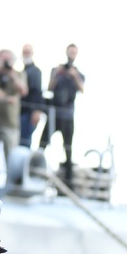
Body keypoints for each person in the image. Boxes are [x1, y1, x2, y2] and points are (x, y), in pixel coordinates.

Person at [41, 44, 86, 188]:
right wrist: (58, 73)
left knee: (67, 148)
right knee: (42, 143)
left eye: (74, 52)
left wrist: (74, 76)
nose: (71, 54)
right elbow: (49, 87)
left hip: (68, 115)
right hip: (54, 114)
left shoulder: (78, 73)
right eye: (70, 51)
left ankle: (68, 180)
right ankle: (36, 170)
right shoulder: (57, 70)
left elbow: (82, 89)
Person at [0, 49, 27, 190]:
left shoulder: (18, 73)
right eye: (2, 59)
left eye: (8, 59)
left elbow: (23, 90)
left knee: (11, 158)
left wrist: (12, 74)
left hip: (11, 123)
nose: (5, 62)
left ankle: (9, 188)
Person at [19, 44, 44, 148]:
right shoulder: (22, 71)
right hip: (21, 111)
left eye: (28, 52)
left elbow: (37, 92)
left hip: (29, 112)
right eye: (24, 52)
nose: (26, 54)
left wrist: (37, 110)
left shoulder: (35, 71)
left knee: (25, 141)